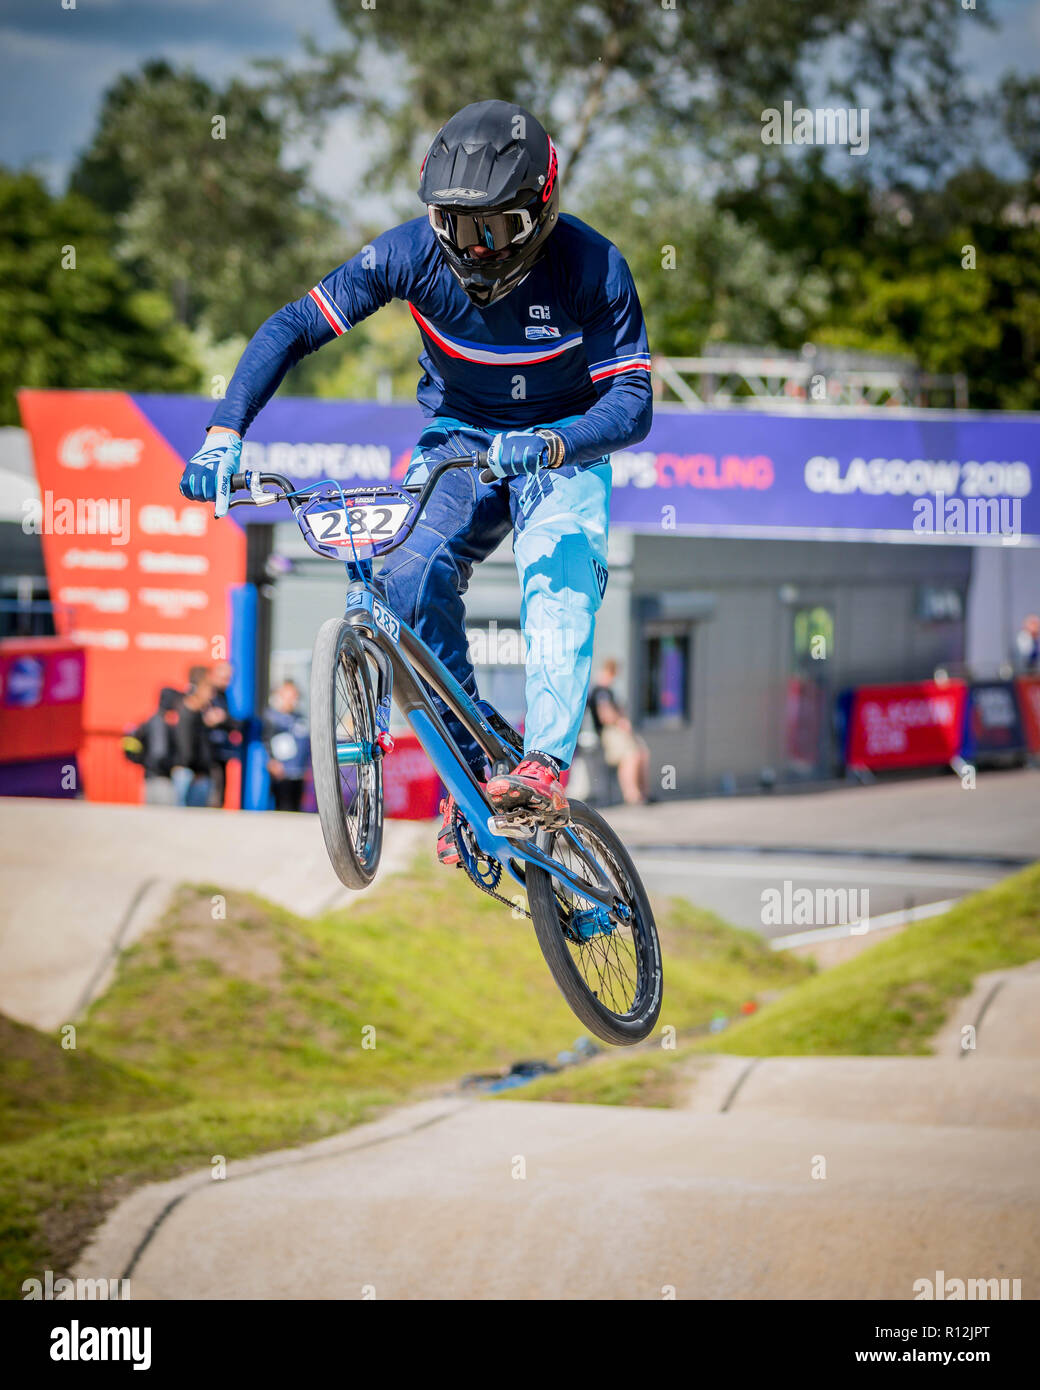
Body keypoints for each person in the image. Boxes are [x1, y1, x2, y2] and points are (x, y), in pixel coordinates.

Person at [177, 99, 652, 864]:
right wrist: (224, 431)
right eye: (454, 224)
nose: (471, 247)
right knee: (403, 572)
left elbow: (633, 404)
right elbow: (295, 325)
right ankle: (474, 777)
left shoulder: (593, 267)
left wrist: (555, 442)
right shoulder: (405, 254)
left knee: (556, 571)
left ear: (539, 212)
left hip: (563, 445)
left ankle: (544, 765)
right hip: (458, 436)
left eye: (492, 228)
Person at [588, 658, 651, 806]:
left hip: (617, 730)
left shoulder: (607, 691)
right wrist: (619, 721)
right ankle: (632, 795)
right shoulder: (600, 691)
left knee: (643, 752)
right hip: (610, 733)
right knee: (630, 756)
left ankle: (644, 793)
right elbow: (605, 715)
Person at [263, 680, 310, 812]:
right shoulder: (272, 717)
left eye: (294, 696)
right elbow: (266, 741)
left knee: (295, 809)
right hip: (282, 774)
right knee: (283, 809)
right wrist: (272, 761)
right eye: (288, 696)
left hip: (299, 773)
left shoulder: (300, 718)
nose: (292, 700)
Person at [171, 667, 215, 807]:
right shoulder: (185, 713)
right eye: (209, 689)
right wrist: (195, 770)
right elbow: (184, 748)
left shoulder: (201, 715)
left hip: (198, 775)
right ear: (197, 689)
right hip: (188, 775)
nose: (211, 695)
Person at [204, 660, 241, 807]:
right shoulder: (206, 694)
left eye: (229, 678)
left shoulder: (223, 696)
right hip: (206, 754)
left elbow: (231, 721)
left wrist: (223, 718)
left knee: (219, 795)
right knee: (210, 795)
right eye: (224, 677)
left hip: (220, 753)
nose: (227, 681)